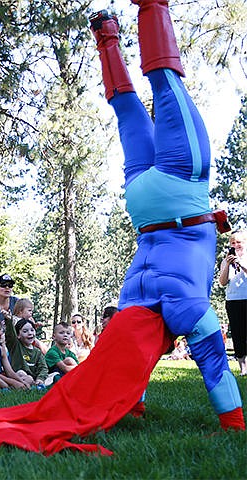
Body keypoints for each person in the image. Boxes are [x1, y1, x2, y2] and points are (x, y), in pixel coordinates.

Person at [90, 0, 243, 430]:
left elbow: (209, 361)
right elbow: (144, 354)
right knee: (131, 108)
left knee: (165, 83)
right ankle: (106, 36)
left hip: (177, 196)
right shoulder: (133, 303)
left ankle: (149, 8)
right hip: (144, 207)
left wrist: (234, 418)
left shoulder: (185, 311)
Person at [218, 230, 246, 376]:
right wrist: (227, 265)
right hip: (233, 300)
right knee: (237, 333)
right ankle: (243, 368)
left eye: (239, 242)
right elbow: (222, 283)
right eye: (233, 243)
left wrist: (240, 263)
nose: (236, 245)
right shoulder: (225, 260)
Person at [7, 319, 48, 387]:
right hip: (18, 376)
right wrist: (8, 320)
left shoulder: (37, 352)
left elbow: (43, 368)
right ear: (18, 335)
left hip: (34, 378)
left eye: (32, 330)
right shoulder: (15, 346)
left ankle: (36, 384)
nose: (30, 333)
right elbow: (10, 335)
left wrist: (40, 378)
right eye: (25, 331)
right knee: (21, 373)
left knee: (54, 375)